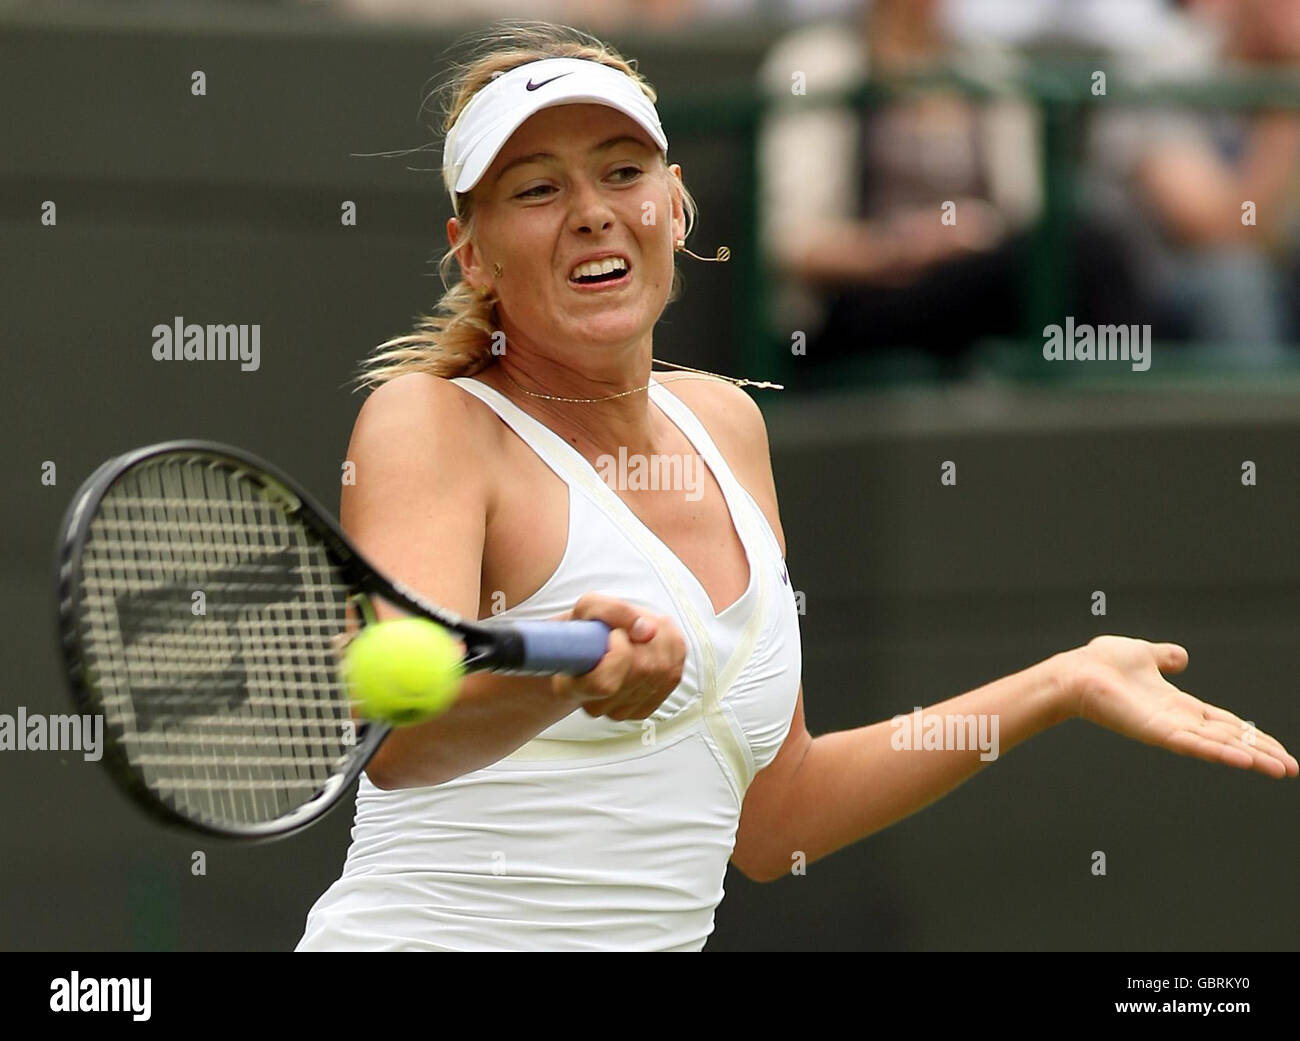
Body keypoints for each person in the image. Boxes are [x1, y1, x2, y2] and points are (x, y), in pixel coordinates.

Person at [297, 22, 1296, 952]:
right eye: (536, 189)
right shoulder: (429, 423)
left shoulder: (728, 427)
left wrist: (1055, 685)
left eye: (621, 172)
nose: (594, 211)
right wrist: (557, 687)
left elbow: (778, 823)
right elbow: (398, 740)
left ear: (672, 205)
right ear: (473, 253)